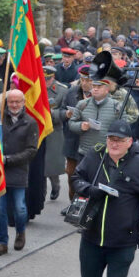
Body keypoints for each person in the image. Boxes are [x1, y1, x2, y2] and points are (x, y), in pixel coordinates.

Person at [72, 120, 139, 277]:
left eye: (119, 140)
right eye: (111, 139)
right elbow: (76, 178)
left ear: (130, 142)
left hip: (123, 242)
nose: (114, 144)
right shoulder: (95, 156)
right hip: (91, 238)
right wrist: (89, 189)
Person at [0, 90, 38, 256]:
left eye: (18, 102)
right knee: (0, 210)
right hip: (0, 172)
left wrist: (9, 159)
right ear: (7, 103)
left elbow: (32, 150)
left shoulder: (30, 122)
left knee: (20, 208)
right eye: (11, 102)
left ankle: (20, 232)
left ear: (23, 102)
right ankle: (2, 242)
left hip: (18, 171)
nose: (14, 105)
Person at [69, 77, 129, 159]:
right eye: (94, 86)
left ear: (107, 89)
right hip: (85, 152)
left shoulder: (117, 106)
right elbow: (71, 123)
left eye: (99, 87)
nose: (95, 89)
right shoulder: (82, 104)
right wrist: (80, 126)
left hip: (107, 153)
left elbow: (124, 127)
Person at [62, 66, 92, 203]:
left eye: (88, 80)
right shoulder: (71, 92)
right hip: (72, 141)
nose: (84, 83)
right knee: (71, 175)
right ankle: (72, 204)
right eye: (82, 79)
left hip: (90, 142)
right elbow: (60, 111)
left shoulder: (100, 95)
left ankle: (85, 205)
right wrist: (65, 114)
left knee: (88, 176)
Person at [42, 68, 68, 200]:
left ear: (53, 77)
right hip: (39, 129)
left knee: (52, 162)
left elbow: (65, 112)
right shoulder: (36, 87)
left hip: (54, 129)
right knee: (39, 162)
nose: (46, 82)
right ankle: (41, 192)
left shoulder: (62, 90)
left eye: (48, 79)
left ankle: (55, 185)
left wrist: (50, 115)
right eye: (44, 78)